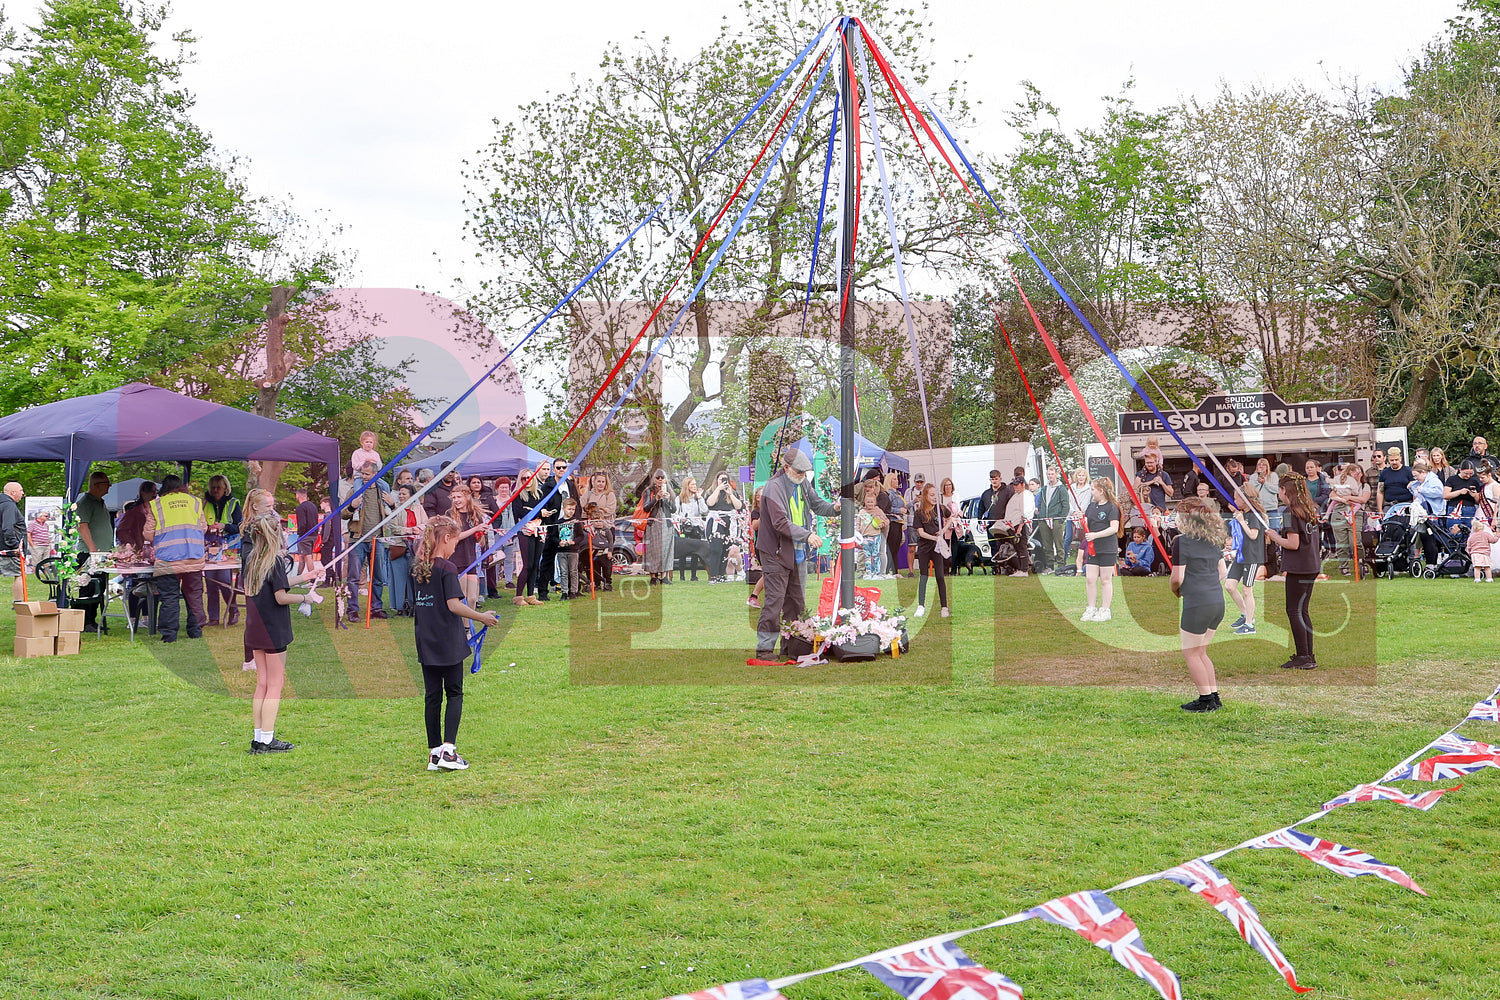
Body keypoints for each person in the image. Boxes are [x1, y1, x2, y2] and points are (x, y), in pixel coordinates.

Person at [409, 515, 500, 771]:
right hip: (447, 640)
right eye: (454, 543)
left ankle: (434, 753)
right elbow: (453, 605)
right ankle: (448, 751)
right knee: (454, 693)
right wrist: (482, 616)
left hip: (426, 640)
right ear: (446, 539)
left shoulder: (418, 566)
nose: (455, 548)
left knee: (432, 696)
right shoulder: (447, 567)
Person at [240, 489, 324, 754]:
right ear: (274, 534)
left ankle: (258, 738)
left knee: (262, 683)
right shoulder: (274, 561)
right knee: (275, 684)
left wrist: (309, 575)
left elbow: (278, 583)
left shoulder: (253, 559)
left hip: (254, 625)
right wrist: (305, 599)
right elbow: (280, 596)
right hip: (273, 628)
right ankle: (267, 739)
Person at [754, 449, 839, 659]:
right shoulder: (773, 488)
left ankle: (790, 647)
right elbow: (780, 522)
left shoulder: (802, 483)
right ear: (786, 468)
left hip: (796, 553)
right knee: (774, 602)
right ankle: (764, 649)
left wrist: (836, 508)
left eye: (804, 472)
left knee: (796, 604)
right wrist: (808, 535)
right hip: (775, 553)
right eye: (799, 471)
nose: (802, 475)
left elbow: (817, 504)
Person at [1172, 496, 1230, 713]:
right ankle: (1213, 696)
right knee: (1201, 652)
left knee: (1191, 653)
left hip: (1197, 603)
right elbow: (1222, 573)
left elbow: (1177, 578)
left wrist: (1175, 590)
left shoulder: (1180, 541)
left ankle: (1205, 700)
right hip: (1217, 601)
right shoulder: (1213, 540)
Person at [1265, 472, 1322, 670]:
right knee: (1302, 610)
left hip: (1300, 567)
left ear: (1284, 490)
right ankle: (1308, 654)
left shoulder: (1290, 512)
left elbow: (1293, 543)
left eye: (1280, 490)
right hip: (1311, 564)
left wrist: (1274, 536)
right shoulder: (1309, 509)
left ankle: (1303, 656)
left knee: (1294, 610)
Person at [143, 474, 208, 643]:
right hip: (193, 556)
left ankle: (169, 635)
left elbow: (148, 534)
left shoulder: (157, 505)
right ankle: (195, 631)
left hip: (168, 558)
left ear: (164, 488)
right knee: (194, 595)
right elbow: (203, 527)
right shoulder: (195, 502)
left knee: (169, 597)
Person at [344, 461, 392, 620]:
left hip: (377, 539)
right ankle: (352, 610)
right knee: (354, 577)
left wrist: (392, 504)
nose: (364, 477)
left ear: (375, 475)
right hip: (357, 539)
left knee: (378, 577)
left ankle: (376, 608)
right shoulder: (354, 491)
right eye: (362, 474)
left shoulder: (382, 491)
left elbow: (393, 513)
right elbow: (343, 513)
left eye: (367, 474)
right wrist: (352, 506)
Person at [73, 471, 114, 633]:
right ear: (97, 485)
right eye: (106, 484)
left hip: (100, 554)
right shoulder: (86, 503)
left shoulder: (99, 502)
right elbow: (82, 526)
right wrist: (92, 549)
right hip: (90, 554)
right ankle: (84, 621)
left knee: (99, 587)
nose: (109, 487)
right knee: (88, 587)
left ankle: (92, 620)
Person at [201, 475, 244, 628]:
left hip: (229, 548)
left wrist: (224, 526)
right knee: (211, 582)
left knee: (225, 582)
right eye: (212, 487)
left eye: (218, 487)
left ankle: (233, 610)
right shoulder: (204, 503)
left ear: (225, 488)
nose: (215, 490)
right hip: (210, 547)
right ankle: (213, 617)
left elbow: (240, 527)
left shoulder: (234, 503)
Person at [1225, 490, 1268, 635]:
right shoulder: (1243, 513)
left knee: (1246, 590)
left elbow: (1253, 535)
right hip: (1241, 555)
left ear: (1245, 499)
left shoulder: (1254, 515)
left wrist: (1242, 521)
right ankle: (1245, 615)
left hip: (1252, 557)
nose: (1235, 501)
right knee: (1229, 585)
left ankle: (1250, 625)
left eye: (1237, 498)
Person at [1080, 478, 1121, 622]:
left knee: (1105, 579)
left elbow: (1114, 528)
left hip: (1107, 548)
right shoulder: (1091, 506)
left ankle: (1105, 610)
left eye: (1092, 489)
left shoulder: (1112, 507)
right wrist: (1082, 521)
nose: (1091, 492)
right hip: (1093, 548)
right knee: (1090, 579)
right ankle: (1091, 608)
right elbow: (1087, 524)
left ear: (1101, 491)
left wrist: (1095, 535)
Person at [911, 482, 950, 618]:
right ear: (926, 496)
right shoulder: (919, 513)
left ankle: (944, 607)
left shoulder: (940, 509)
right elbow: (920, 532)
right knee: (923, 576)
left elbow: (950, 518)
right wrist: (934, 538)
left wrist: (943, 531)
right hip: (924, 547)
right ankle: (921, 605)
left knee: (940, 576)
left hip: (937, 548)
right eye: (932, 495)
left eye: (936, 495)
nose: (935, 498)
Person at [510, 468, 548, 606]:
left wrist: (532, 511)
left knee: (535, 564)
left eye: (529, 478)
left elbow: (544, 511)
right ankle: (518, 596)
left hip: (539, 530)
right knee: (528, 564)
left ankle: (531, 595)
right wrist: (537, 512)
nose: (527, 481)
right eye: (524, 478)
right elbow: (520, 513)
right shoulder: (517, 495)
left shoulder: (539, 494)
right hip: (525, 532)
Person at [447, 484, 488, 610]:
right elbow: (455, 537)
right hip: (457, 559)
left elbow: (479, 540)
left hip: (472, 559)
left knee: (472, 598)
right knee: (462, 596)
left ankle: (469, 627)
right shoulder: (450, 515)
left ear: (467, 497)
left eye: (459, 497)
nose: (456, 500)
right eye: (454, 497)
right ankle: (463, 628)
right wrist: (475, 529)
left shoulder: (475, 515)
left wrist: (481, 533)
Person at [387, 484, 425, 615]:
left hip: (416, 547)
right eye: (400, 493)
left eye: (404, 494)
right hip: (400, 547)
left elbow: (426, 523)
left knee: (414, 576)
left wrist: (418, 528)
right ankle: (400, 606)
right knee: (399, 577)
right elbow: (393, 526)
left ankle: (414, 604)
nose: (401, 496)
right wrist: (408, 530)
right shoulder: (396, 510)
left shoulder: (418, 508)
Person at [1327, 464, 1369, 576]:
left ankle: (1361, 562)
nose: (1356, 474)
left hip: (1356, 513)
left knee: (1355, 541)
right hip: (1339, 512)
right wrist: (1344, 500)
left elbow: (1363, 499)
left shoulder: (1364, 486)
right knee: (1341, 542)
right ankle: (1344, 566)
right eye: (1353, 472)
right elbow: (1332, 495)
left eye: (1358, 472)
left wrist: (1349, 498)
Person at [705, 472, 745, 583]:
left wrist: (730, 493)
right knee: (715, 549)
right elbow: (710, 503)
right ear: (716, 480)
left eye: (725, 479)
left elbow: (739, 506)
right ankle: (713, 575)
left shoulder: (732, 493)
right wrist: (718, 489)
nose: (723, 481)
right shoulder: (711, 492)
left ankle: (721, 575)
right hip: (716, 521)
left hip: (729, 522)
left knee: (725, 549)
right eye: (720, 479)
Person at [643, 470, 677, 585]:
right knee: (653, 551)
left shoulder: (670, 491)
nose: (660, 479)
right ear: (654, 479)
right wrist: (656, 498)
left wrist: (668, 500)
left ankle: (664, 576)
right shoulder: (649, 491)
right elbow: (646, 508)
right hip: (653, 524)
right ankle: (653, 576)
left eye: (662, 477)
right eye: (658, 477)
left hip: (666, 525)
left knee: (666, 550)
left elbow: (673, 510)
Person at [1034, 466, 1069, 573]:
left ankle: (1061, 565)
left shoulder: (1061, 489)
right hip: (1044, 519)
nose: (1050, 476)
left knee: (1059, 544)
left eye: (1052, 474)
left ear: (1056, 474)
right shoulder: (1044, 489)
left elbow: (1065, 505)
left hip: (1057, 519)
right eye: (1049, 474)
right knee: (1047, 544)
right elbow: (1040, 503)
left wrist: (1061, 519)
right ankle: (1050, 566)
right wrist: (1040, 514)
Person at [856, 479, 888, 579]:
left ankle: (877, 572)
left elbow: (886, 521)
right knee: (866, 555)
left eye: (871, 502)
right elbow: (858, 523)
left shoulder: (878, 510)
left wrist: (882, 524)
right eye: (868, 502)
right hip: (865, 537)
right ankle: (868, 572)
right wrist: (857, 532)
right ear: (865, 502)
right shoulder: (862, 512)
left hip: (876, 536)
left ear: (874, 502)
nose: (870, 504)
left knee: (876, 554)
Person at [1, 481, 25, 595]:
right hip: (8, 549)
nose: (23, 493)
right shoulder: (9, 505)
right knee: (18, 574)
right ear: (13, 492)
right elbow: (7, 527)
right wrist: (15, 545)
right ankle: (18, 603)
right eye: (21, 491)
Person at [1377, 447, 1415, 516]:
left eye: (1396, 460)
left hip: (1407, 504)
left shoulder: (1409, 471)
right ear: (1388, 460)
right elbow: (1380, 492)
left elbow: (1415, 490)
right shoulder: (1384, 473)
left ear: (1400, 459)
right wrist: (1380, 510)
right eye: (1392, 460)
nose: (1394, 462)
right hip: (1389, 505)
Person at [883, 471, 905, 577]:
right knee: (891, 549)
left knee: (896, 549)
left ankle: (895, 571)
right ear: (889, 481)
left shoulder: (898, 493)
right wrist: (899, 510)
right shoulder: (889, 494)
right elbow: (888, 508)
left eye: (897, 479)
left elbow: (903, 508)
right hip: (892, 522)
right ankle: (887, 571)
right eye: (894, 479)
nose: (897, 481)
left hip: (899, 522)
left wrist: (914, 501)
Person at [1467, 513, 1497, 583]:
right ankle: (1489, 578)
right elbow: (1493, 540)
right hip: (1484, 553)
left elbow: (1469, 545)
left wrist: (1469, 552)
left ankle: (1477, 579)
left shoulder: (1471, 536)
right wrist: (1497, 536)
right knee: (1487, 567)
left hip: (1475, 554)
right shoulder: (1486, 534)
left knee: (1477, 567)